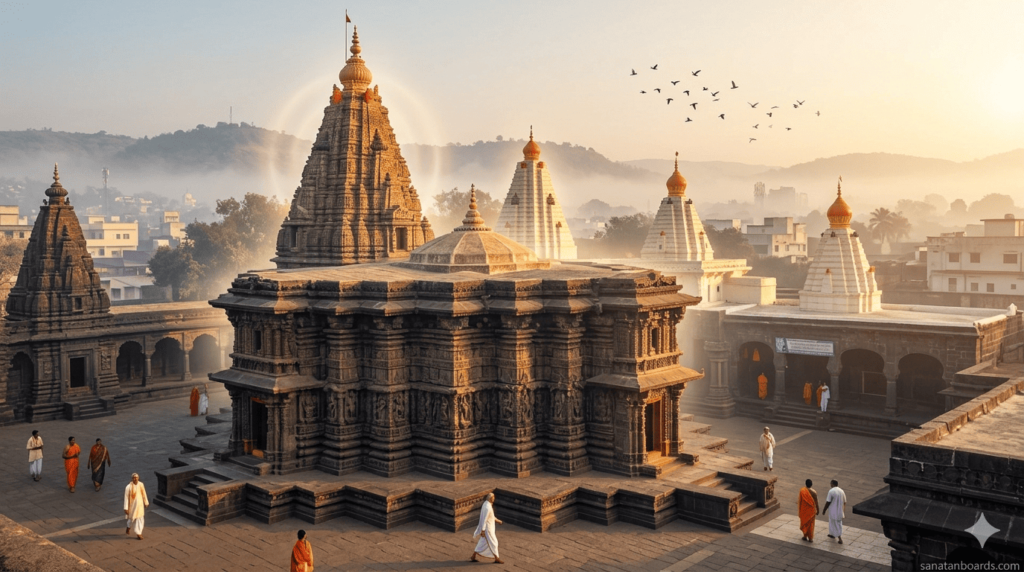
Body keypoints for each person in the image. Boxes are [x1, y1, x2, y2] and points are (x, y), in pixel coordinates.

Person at [471, 492, 504, 564]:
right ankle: (496, 558)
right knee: (494, 543)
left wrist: (498, 521)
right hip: (488, 529)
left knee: (482, 543)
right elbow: (484, 519)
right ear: (490, 498)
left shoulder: (486, 504)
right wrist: (483, 530)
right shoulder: (487, 507)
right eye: (493, 498)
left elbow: (491, 516)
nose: (494, 499)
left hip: (488, 528)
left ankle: (473, 556)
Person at [124, 473, 149, 540]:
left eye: (136, 477)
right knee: (132, 519)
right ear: (132, 479)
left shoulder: (141, 484)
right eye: (134, 478)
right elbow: (126, 498)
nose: (135, 479)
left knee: (140, 519)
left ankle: (139, 533)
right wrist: (126, 508)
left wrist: (146, 502)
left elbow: (144, 494)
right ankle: (128, 527)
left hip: (140, 506)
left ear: (138, 478)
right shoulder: (128, 487)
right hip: (132, 506)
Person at [822, 479, 847, 544]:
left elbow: (828, 502)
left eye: (830, 483)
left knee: (836, 524)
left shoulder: (831, 491)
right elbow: (845, 502)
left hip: (833, 511)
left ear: (832, 484)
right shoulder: (842, 491)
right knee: (833, 523)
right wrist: (843, 510)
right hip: (839, 511)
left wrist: (824, 510)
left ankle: (840, 538)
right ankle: (832, 534)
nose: (830, 485)